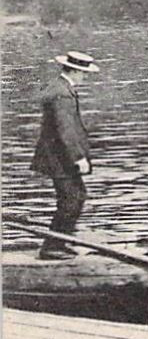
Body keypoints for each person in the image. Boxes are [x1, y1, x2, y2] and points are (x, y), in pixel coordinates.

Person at [32, 51, 99, 258]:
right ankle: (52, 248)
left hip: (61, 159)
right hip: (60, 160)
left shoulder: (61, 88)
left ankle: (61, 242)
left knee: (75, 196)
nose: (84, 77)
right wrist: (79, 158)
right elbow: (65, 130)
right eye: (83, 73)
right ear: (75, 71)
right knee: (72, 199)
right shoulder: (61, 93)